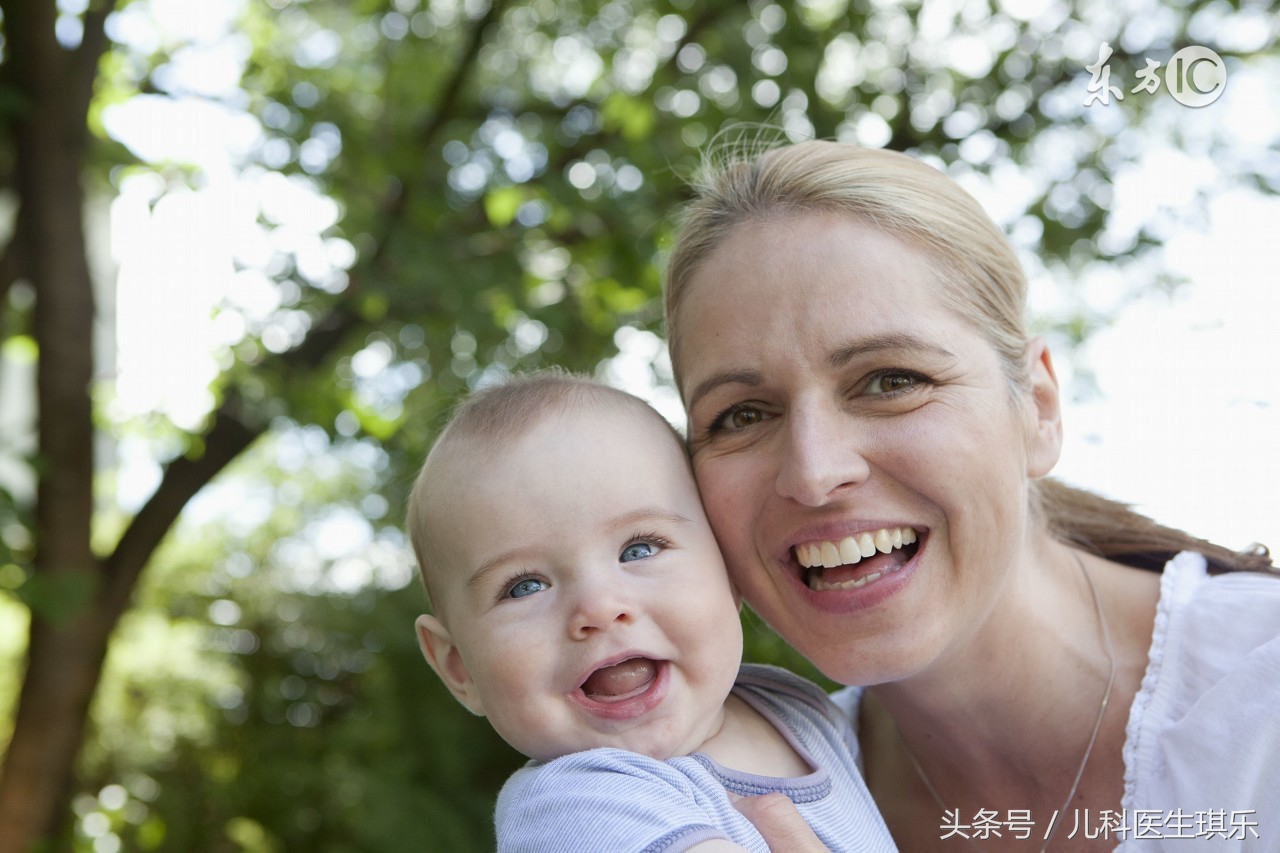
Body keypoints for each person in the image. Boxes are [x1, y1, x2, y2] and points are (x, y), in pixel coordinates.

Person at [662, 139, 1280, 851]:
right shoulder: (712, 813)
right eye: (741, 414)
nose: (812, 471)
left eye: (891, 379)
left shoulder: (1256, 692)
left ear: (1039, 408)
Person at [406, 371, 897, 852]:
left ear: (729, 568)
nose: (598, 608)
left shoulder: (795, 707)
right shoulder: (574, 807)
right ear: (458, 667)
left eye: (639, 549)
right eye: (524, 586)